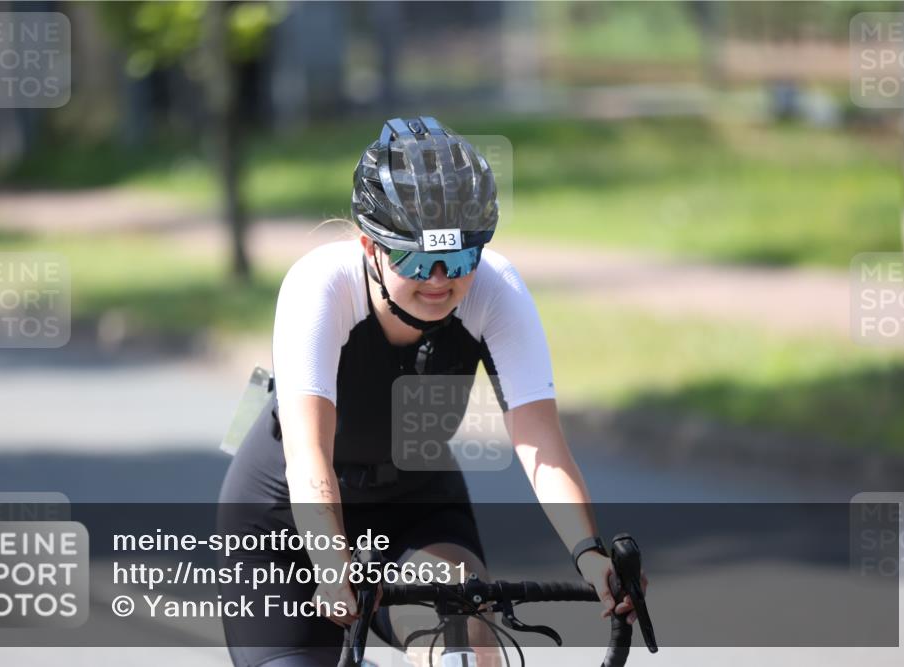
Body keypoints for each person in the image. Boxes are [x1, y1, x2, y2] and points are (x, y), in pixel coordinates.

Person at [218, 116, 641, 667]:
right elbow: (307, 456)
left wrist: (589, 554)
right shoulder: (320, 284)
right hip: (288, 517)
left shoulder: (495, 288)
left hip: (412, 504)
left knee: (464, 643)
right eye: (417, 259)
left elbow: (541, 444)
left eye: (462, 256)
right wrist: (331, 566)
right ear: (371, 247)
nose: (441, 278)